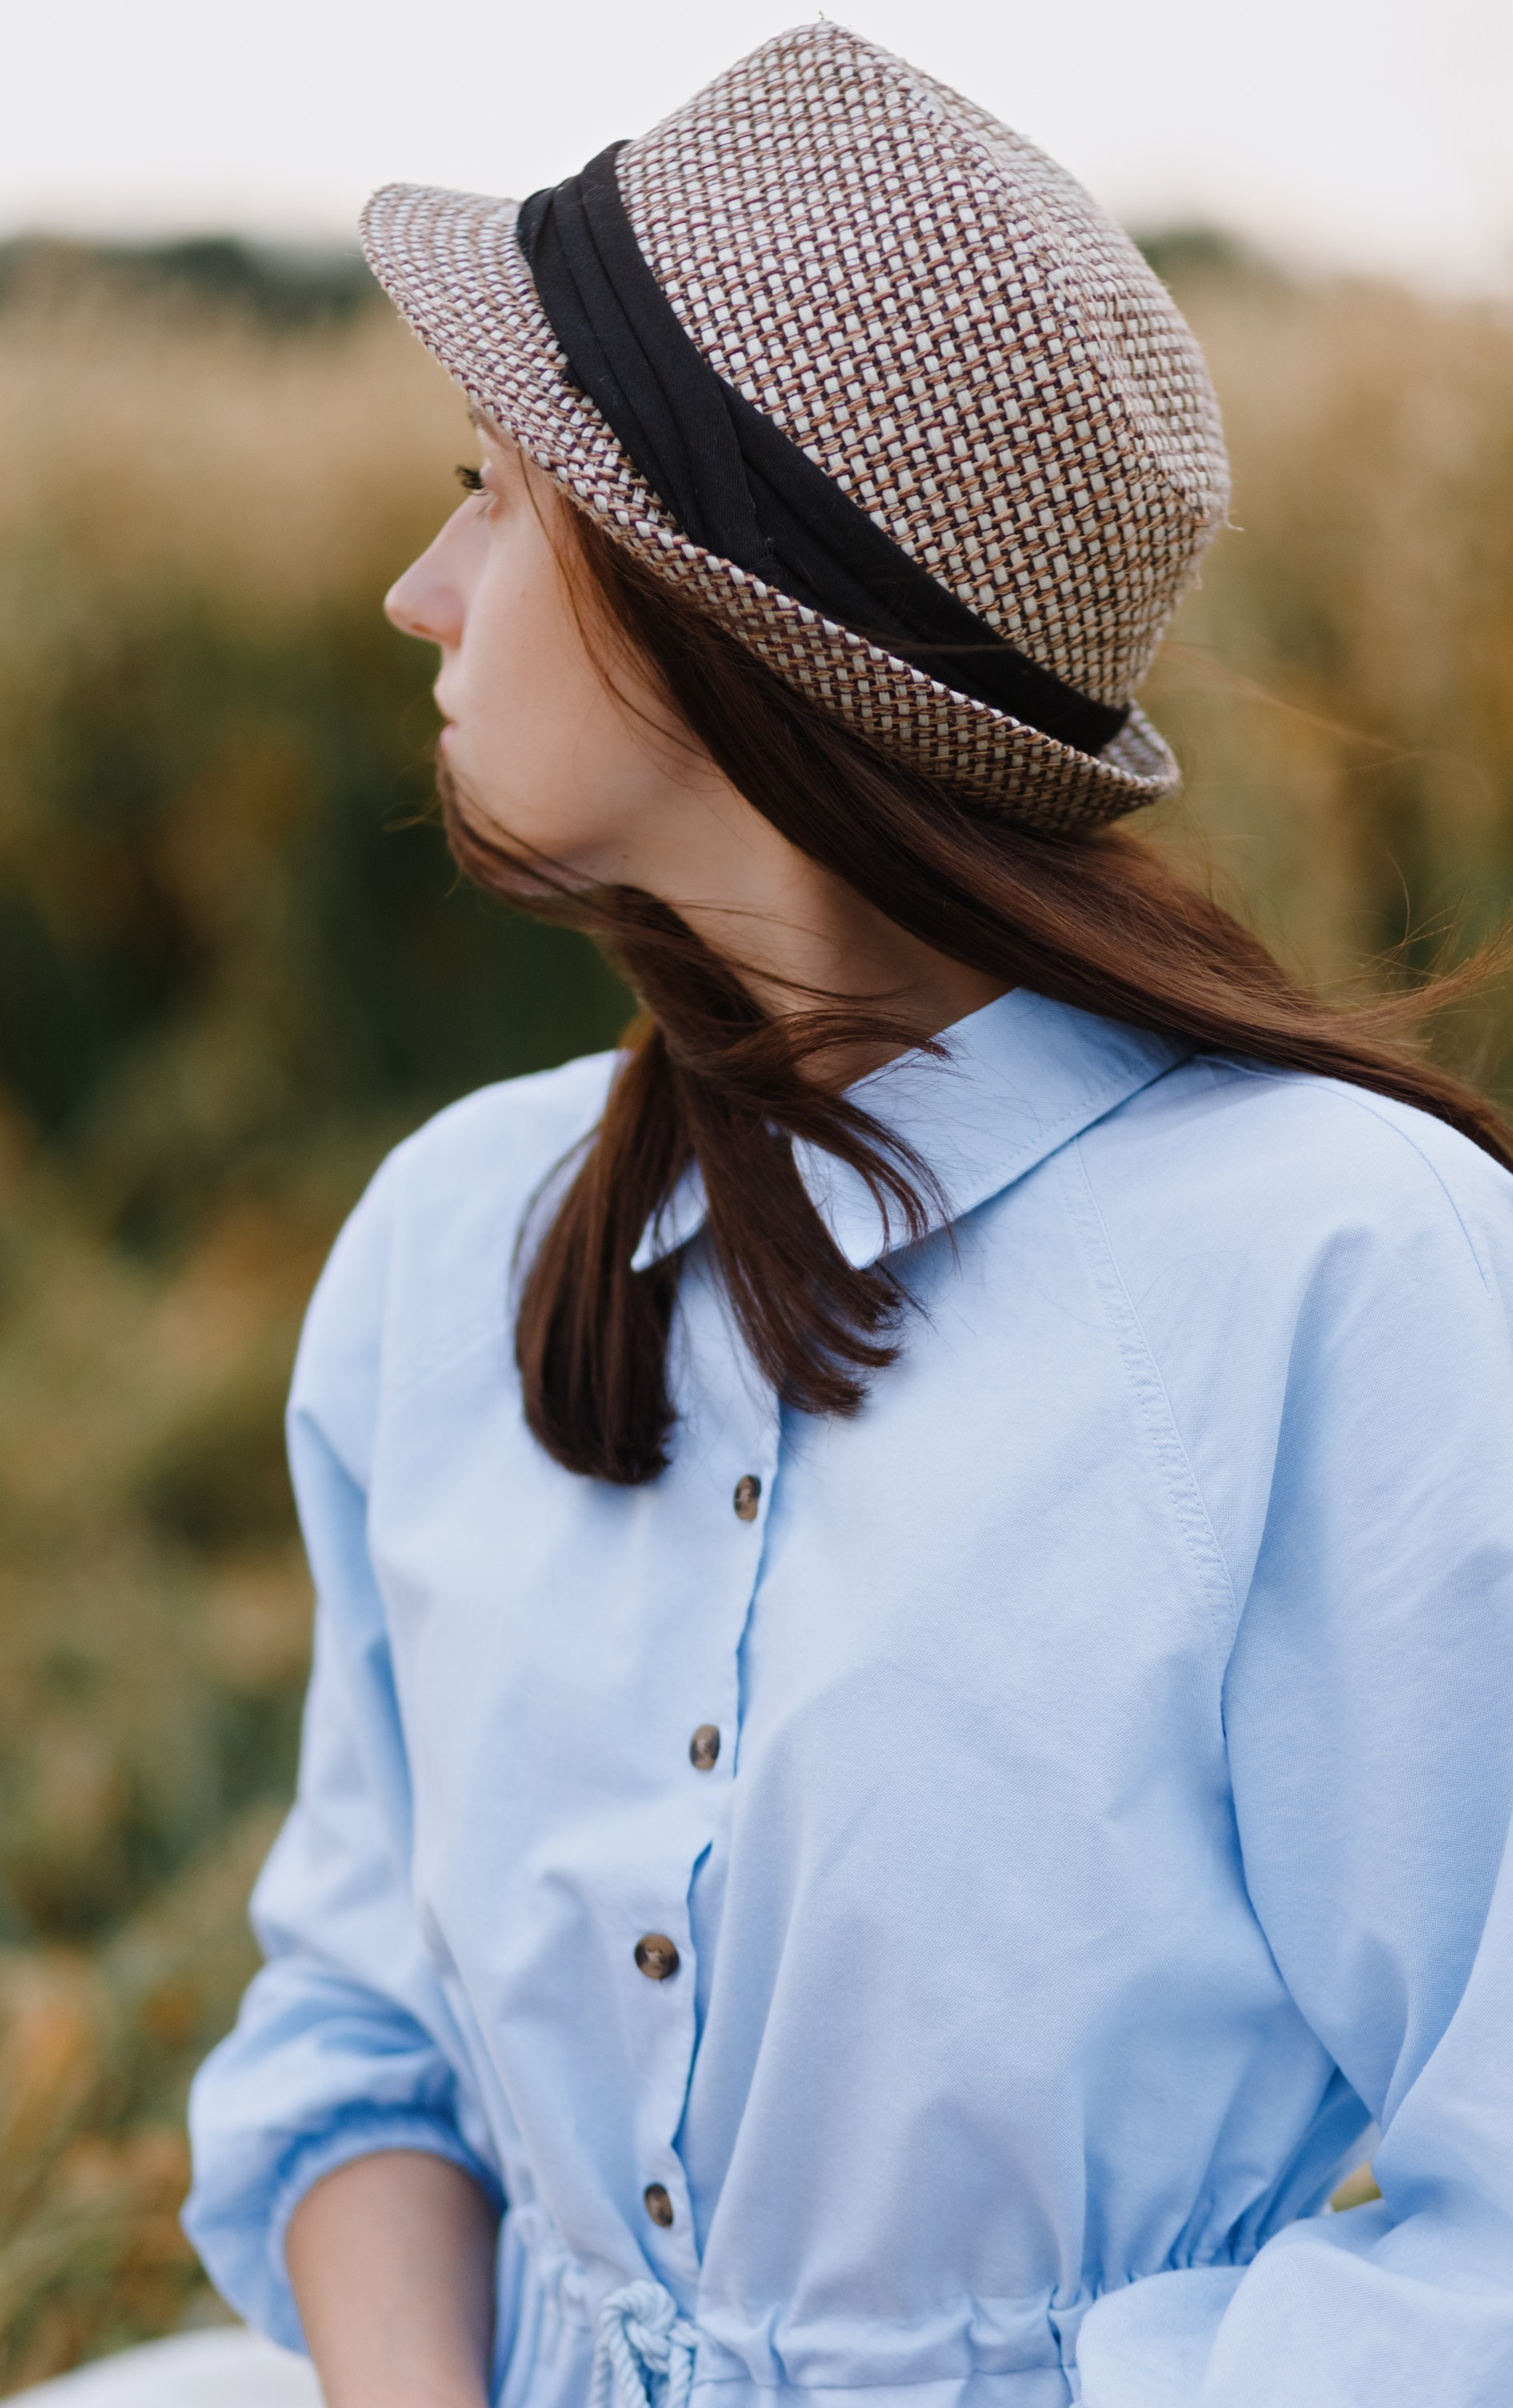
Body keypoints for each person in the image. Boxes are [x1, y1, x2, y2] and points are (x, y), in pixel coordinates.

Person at [173, 25, 1513, 2408]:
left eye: (495, 496)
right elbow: (363, 2034)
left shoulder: (1347, 1279)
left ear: (718, 627)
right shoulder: (453, 1239)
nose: (420, 588)